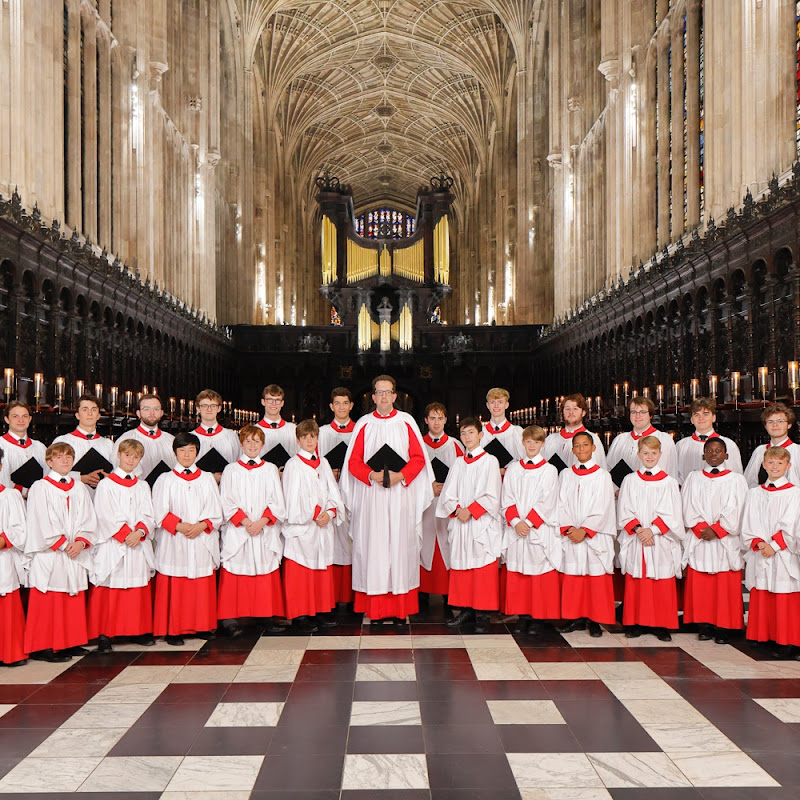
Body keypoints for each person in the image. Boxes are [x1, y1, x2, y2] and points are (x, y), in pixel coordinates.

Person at [340, 375, 433, 626]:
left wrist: (400, 475)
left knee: (400, 548)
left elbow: (418, 457)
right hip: (372, 496)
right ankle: (376, 610)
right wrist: (371, 475)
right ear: (372, 397)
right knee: (374, 548)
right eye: (378, 393)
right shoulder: (364, 424)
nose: (383, 397)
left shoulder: (406, 422)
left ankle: (401, 610)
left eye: (387, 392)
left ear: (395, 396)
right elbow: (353, 461)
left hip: (400, 494)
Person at [24, 442, 96, 662]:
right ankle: (43, 646)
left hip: (74, 551)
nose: (65, 460)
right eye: (59, 457)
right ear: (49, 462)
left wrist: (81, 542)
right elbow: (40, 519)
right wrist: (65, 544)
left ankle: (68, 643)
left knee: (71, 596)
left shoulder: (78, 487)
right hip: (52, 553)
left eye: (68, 457)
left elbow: (88, 517)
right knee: (49, 599)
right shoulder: (40, 487)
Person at [152, 432, 223, 645]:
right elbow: (158, 512)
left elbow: (216, 510)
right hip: (177, 539)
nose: (186, 454)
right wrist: (181, 526)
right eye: (182, 450)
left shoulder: (207, 479)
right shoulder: (166, 479)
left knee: (201, 585)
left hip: (201, 538)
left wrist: (202, 525)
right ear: (175, 453)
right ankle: (175, 629)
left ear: (197, 453)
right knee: (178, 584)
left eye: (191, 450)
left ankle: (202, 625)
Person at [218, 425, 286, 637]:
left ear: (263, 444)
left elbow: (277, 500)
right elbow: (226, 500)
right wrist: (246, 522)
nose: (252, 445)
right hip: (241, 529)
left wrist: (263, 521)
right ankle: (230, 619)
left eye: (256, 441)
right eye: (248, 441)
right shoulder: (231, 470)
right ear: (241, 443)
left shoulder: (270, 469)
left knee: (264, 570)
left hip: (263, 529)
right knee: (235, 569)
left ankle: (265, 616)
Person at [88, 439, 156, 652]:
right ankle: (106, 634)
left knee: (137, 588)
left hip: (137, 543)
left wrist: (140, 532)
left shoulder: (142, 485)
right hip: (115, 544)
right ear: (119, 455)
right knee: (110, 589)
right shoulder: (107, 484)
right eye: (127, 455)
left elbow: (148, 513)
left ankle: (138, 630)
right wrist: (127, 535)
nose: (131, 460)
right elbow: (104, 514)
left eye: (136, 457)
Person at [436, 417, 502, 633]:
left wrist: (471, 511)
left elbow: (492, 494)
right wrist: (456, 510)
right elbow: (448, 493)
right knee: (462, 566)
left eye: (471, 433)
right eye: (463, 433)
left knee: (481, 567)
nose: (467, 437)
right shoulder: (458, 462)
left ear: (481, 435)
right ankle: (465, 610)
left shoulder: (489, 461)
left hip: (480, 523)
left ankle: (482, 615)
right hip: (460, 522)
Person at [616, 436, 685, 642]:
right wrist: (639, 529)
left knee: (661, 580)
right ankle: (635, 622)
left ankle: (661, 624)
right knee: (638, 579)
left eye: (653, 453)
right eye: (645, 453)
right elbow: (624, 509)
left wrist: (653, 530)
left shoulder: (669, 482)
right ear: (638, 454)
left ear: (660, 455)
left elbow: (673, 513)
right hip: (638, 537)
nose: (649, 457)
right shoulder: (630, 480)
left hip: (660, 540)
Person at [281, 420, 345, 633]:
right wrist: (316, 512)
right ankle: (300, 615)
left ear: (318, 439)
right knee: (301, 573)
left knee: (321, 571)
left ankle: (319, 610)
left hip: (322, 526)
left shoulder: (323, 463)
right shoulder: (293, 465)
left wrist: (330, 512)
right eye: (305, 437)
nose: (310, 441)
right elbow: (291, 499)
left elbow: (333, 492)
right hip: (303, 528)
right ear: (298, 440)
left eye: (313, 437)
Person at [681, 438, 747, 643]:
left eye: (718, 450)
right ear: (703, 455)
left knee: (724, 584)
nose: (714, 454)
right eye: (709, 450)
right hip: (700, 537)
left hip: (724, 539)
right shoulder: (693, 478)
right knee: (702, 585)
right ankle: (704, 625)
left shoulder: (736, 480)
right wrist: (701, 529)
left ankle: (724, 627)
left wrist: (717, 530)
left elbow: (739, 509)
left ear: (726, 455)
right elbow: (686, 506)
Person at [500, 425, 561, 634]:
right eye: (528, 441)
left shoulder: (549, 470)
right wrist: (516, 521)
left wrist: (529, 522)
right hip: (518, 529)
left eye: (536, 442)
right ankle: (523, 615)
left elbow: (548, 500)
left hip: (538, 529)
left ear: (542, 444)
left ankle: (538, 617)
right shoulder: (514, 469)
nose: (532, 445)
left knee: (539, 572)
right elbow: (506, 497)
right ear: (523, 443)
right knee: (519, 572)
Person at [741, 446, 800, 658]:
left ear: (788, 466)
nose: (775, 467)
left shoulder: (795, 493)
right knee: (763, 591)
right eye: (771, 463)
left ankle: (788, 640)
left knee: (784, 595)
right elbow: (748, 522)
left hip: (783, 554)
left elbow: (794, 524)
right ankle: (763, 635)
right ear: (764, 465)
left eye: (780, 463)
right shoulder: (755, 493)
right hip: (761, 551)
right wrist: (758, 543)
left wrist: (774, 546)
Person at [557, 431, 616, 637]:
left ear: (593, 448)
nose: (581, 449)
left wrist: (586, 530)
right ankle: (575, 618)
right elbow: (560, 503)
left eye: (585, 445)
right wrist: (569, 528)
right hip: (571, 534)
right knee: (573, 578)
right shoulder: (565, 475)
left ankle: (595, 620)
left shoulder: (602, 476)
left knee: (594, 579)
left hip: (594, 536)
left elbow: (605, 506)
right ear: (573, 450)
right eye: (578, 446)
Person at [420, 402, 463, 603]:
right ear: (426, 420)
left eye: (440, 418)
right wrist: (429, 487)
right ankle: (422, 593)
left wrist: (445, 489)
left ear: (446, 420)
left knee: (446, 543)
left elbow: (464, 476)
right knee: (424, 543)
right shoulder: (418, 444)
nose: (436, 422)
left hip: (447, 503)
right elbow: (411, 475)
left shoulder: (455, 445)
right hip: (425, 503)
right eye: (432, 418)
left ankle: (448, 597)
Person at [317, 387, 356, 607]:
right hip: (328, 494)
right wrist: (327, 472)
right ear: (331, 407)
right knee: (331, 542)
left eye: (345, 403)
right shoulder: (322, 433)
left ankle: (352, 596)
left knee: (353, 540)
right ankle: (332, 596)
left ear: (351, 406)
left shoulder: (361, 430)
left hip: (354, 492)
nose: (341, 407)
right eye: (337, 404)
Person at [606, 396, 678, 488]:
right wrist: (616, 490)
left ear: (650, 415)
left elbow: (670, 472)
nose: (637, 416)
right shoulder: (620, 440)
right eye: (633, 412)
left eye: (642, 412)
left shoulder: (664, 439)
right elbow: (608, 469)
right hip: (622, 497)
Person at [0, 446, 28, 666]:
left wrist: (2, 540)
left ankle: (9, 653)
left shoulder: (10, 496)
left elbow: (20, 530)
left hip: (3, 558)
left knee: (7, 607)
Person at [110, 393, 176, 488]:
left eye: (156, 409)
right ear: (138, 414)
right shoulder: (125, 439)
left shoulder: (171, 440)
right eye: (146, 409)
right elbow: (117, 470)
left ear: (161, 413)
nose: (152, 413)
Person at [53, 394, 113, 493]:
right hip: (72, 495)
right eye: (85, 409)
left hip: (101, 497)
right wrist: (81, 478)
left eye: (93, 410)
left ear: (98, 416)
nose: (90, 414)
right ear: (77, 415)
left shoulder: (108, 444)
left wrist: (108, 478)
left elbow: (116, 472)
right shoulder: (63, 441)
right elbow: (52, 473)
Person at [676, 397, 743, 485]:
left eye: (706, 414)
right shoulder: (681, 446)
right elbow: (676, 476)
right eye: (696, 415)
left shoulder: (729, 445)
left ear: (714, 417)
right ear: (692, 420)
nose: (701, 418)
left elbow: (736, 477)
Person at [542, 394, 606, 470]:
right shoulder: (550, 440)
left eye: (575, 409)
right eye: (567, 409)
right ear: (562, 413)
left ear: (583, 413)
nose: (571, 412)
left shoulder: (592, 439)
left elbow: (600, 472)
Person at [743, 403, 800, 488]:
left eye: (780, 421)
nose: (775, 425)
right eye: (770, 421)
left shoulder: (797, 451)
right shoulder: (760, 451)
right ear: (765, 426)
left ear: (789, 425)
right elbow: (749, 482)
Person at [0, 401, 47, 496]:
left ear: (30, 419)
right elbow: (2, 479)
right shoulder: (1, 444)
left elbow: (48, 473)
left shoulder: (39, 447)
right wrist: (24, 491)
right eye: (15, 416)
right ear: (6, 419)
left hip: (38, 500)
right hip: (9, 502)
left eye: (25, 416)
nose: (21, 420)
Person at [194, 389, 241, 481]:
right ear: (198, 408)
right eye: (204, 406)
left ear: (219, 408)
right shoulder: (191, 438)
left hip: (226, 486)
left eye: (213, 405)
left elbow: (238, 463)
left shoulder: (231, 436)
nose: (209, 409)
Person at [480, 388, 524, 473]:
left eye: (500, 402)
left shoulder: (516, 432)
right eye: (492, 402)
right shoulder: (481, 433)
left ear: (506, 405)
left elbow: (526, 460)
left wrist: (505, 470)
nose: (496, 406)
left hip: (510, 480)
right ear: (487, 405)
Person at [258, 384, 298, 470]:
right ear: (263, 402)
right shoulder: (254, 430)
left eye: (277, 400)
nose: (273, 404)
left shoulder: (293, 429)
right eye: (269, 400)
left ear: (282, 403)